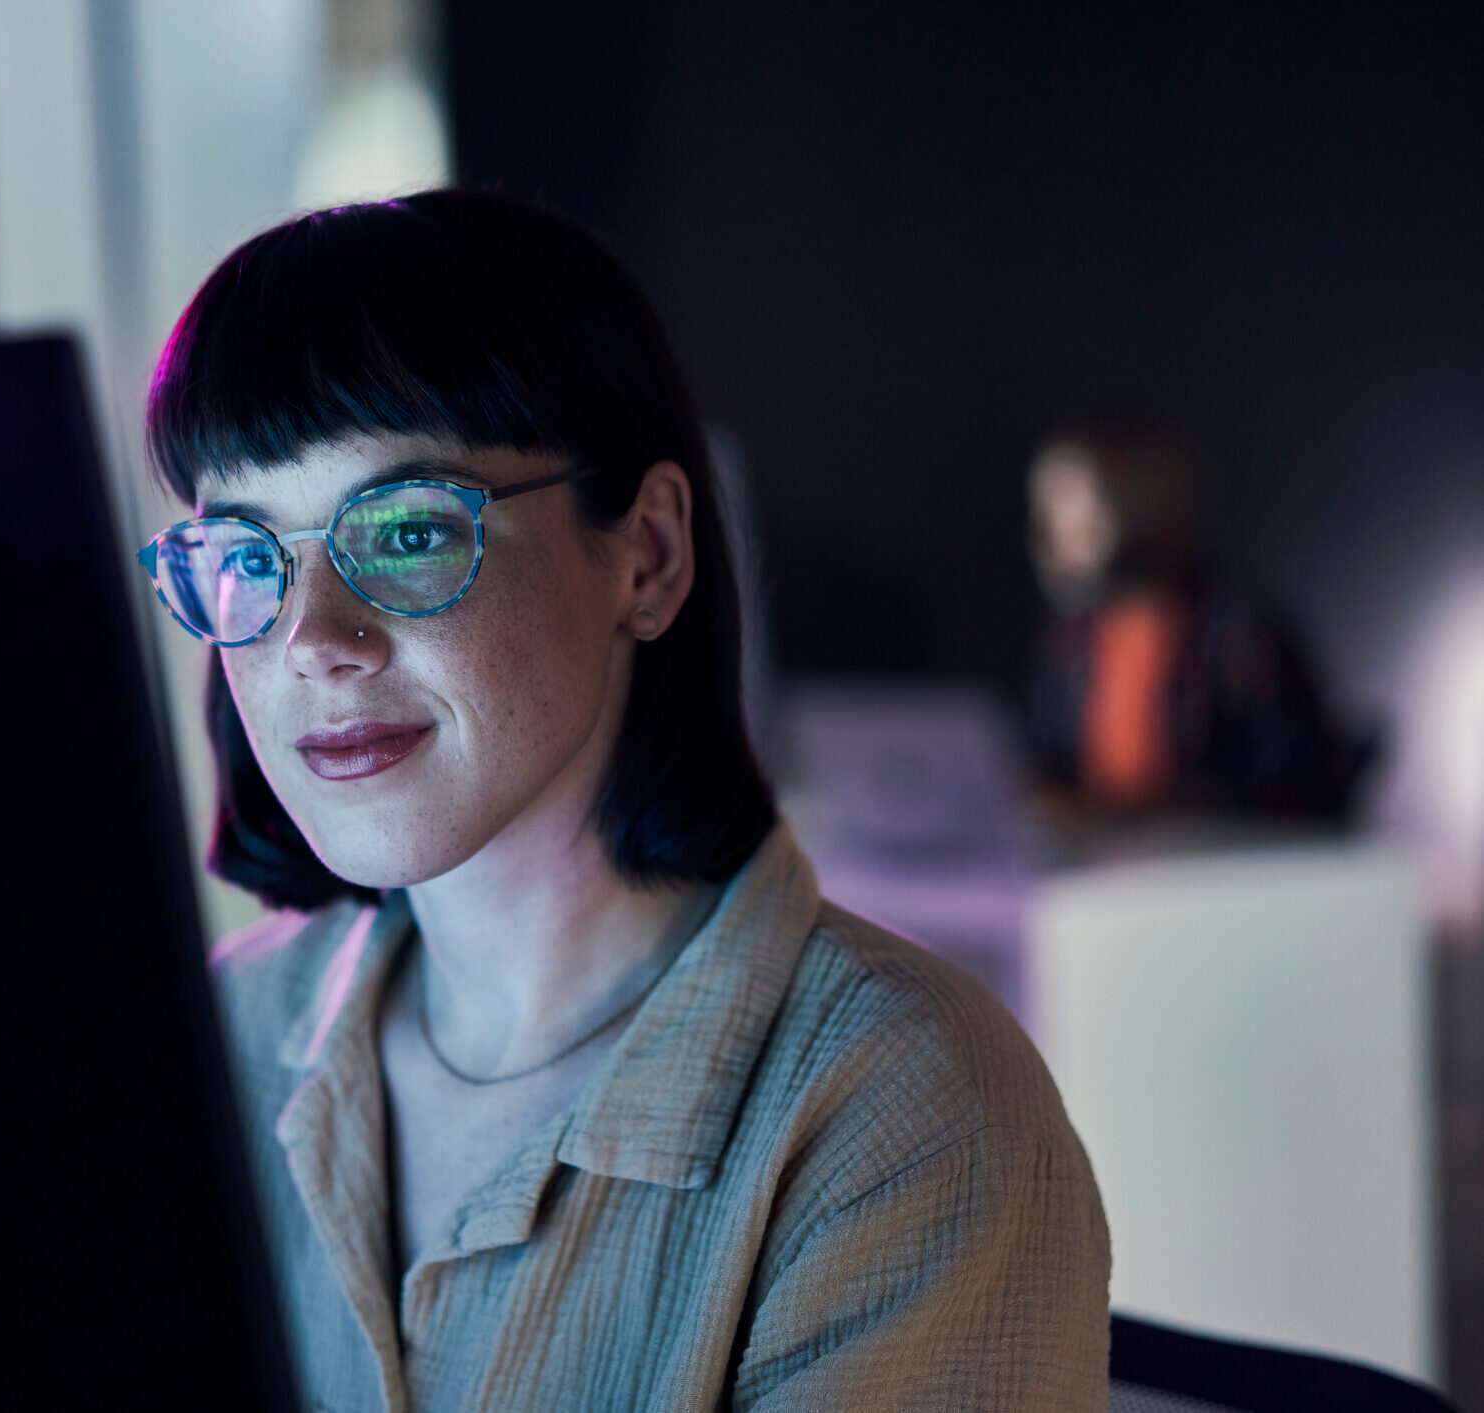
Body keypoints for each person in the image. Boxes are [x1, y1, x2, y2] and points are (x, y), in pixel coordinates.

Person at [139, 190, 1110, 1411]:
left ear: (644, 553)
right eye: (243, 556)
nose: (312, 640)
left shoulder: (898, 1115)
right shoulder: (213, 1044)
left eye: (403, 531)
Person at [1024, 420, 1372, 820]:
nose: (1057, 531)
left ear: (1141, 499)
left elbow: (1290, 781)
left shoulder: (1237, 629)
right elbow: (1048, 764)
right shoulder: (1070, 640)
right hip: (1102, 869)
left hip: (1220, 867)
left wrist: (1155, 812)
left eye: (1073, 504)